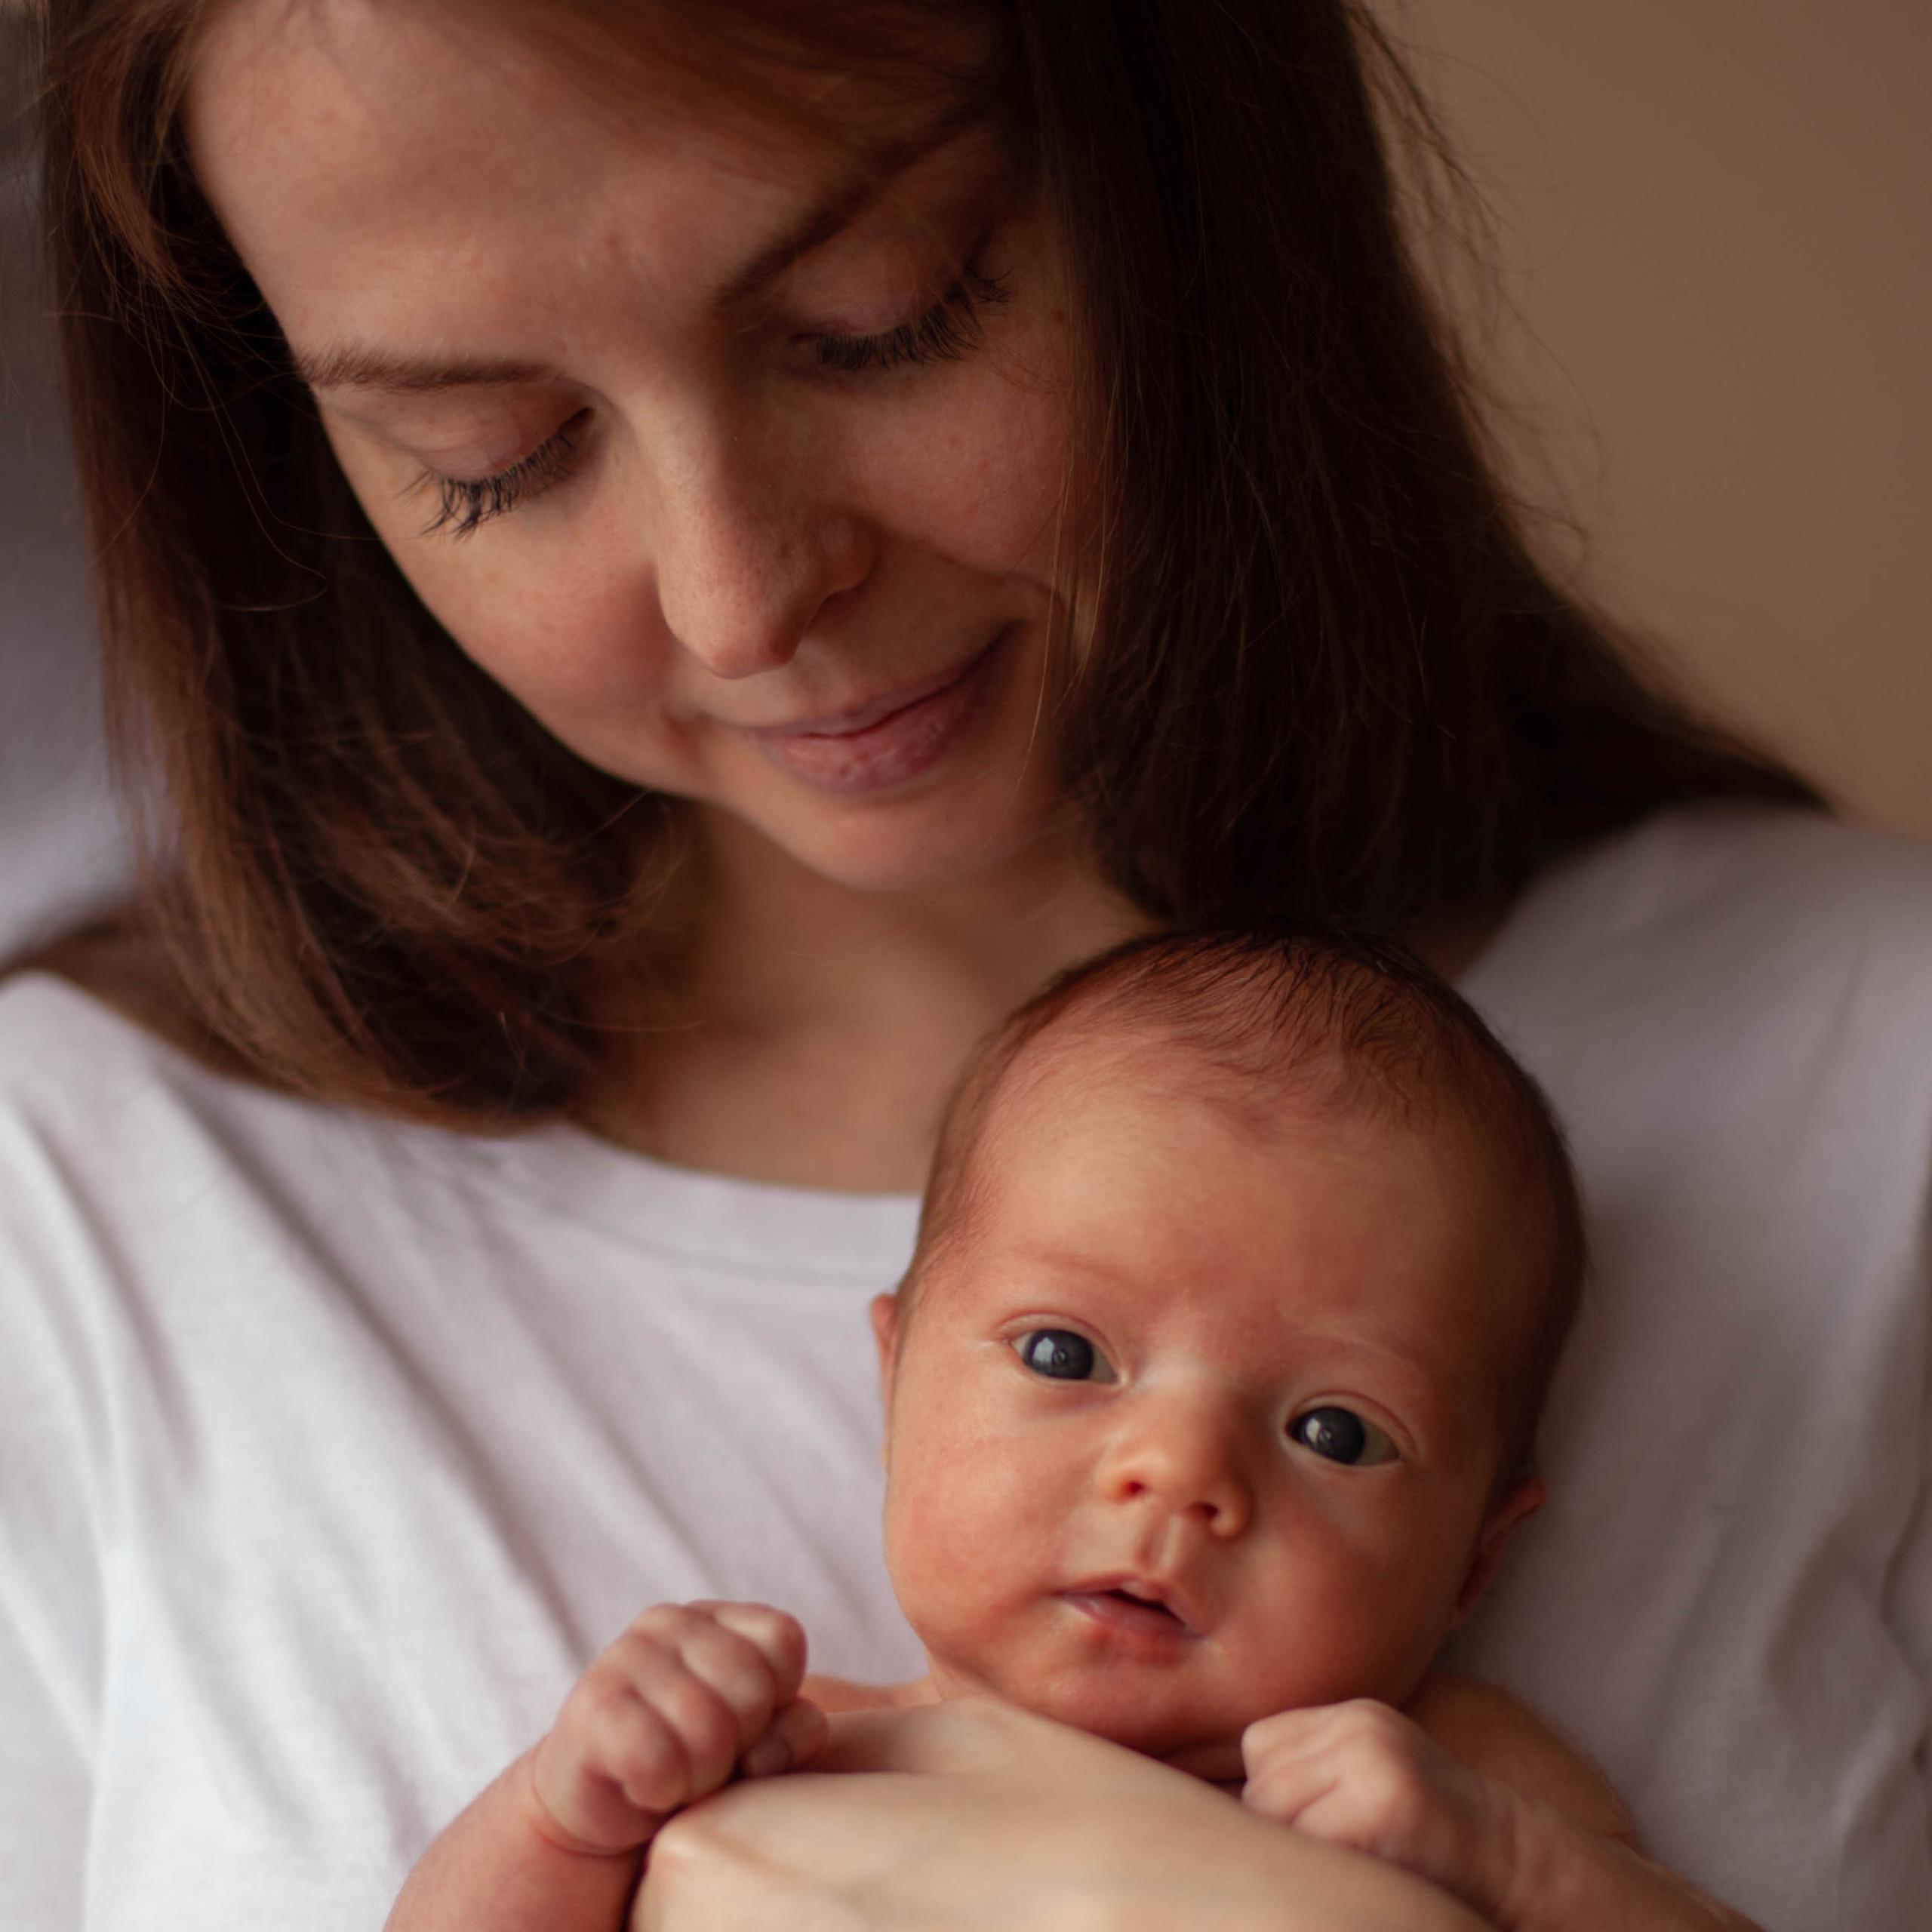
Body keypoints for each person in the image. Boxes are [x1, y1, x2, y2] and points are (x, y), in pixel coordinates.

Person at [5, 2, 1930, 1929]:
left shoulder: (1868, 1073)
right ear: (894, 1347)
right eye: (492, 453)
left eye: (880, 314)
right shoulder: (73, 1209)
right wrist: (585, 1803)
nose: (740, 598)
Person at [389, 931, 1758, 1932]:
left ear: (1471, 1562)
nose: (1177, 1475)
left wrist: (1513, 1868)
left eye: (1336, 1432)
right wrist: (570, 1812)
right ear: (896, 1389)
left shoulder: (1458, 1779)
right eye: (1065, 1354)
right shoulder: (798, 1746)